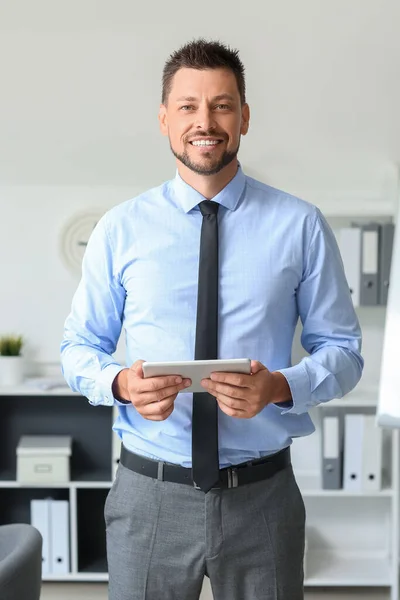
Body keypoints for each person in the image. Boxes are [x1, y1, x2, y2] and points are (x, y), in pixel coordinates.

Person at [60, 38, 364, 600]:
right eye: (188, 106)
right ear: (164, 120)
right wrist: (121, 383)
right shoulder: (119, 229)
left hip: (263, 498)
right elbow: (79, 347)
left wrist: (280, 386)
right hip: (148, 496)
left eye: (222, 105)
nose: (206, 121)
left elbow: (344, 351)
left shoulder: (300, 225)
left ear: (244, 116)